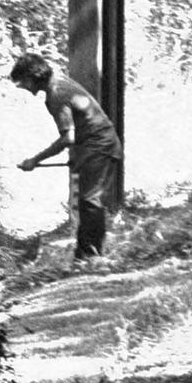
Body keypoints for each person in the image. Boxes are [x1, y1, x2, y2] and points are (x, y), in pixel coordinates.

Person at [9, 52, 122, 261]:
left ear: (34, 76)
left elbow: (68, 138)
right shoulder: (60, 81)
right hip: (96, 145)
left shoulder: (56, 95)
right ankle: (83, 255)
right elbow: (80, 128)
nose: (22, 87)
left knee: (90, 201)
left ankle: (93, 256)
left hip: (100, 146)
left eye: (23, 81)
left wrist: (35, 160)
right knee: (87, 202)